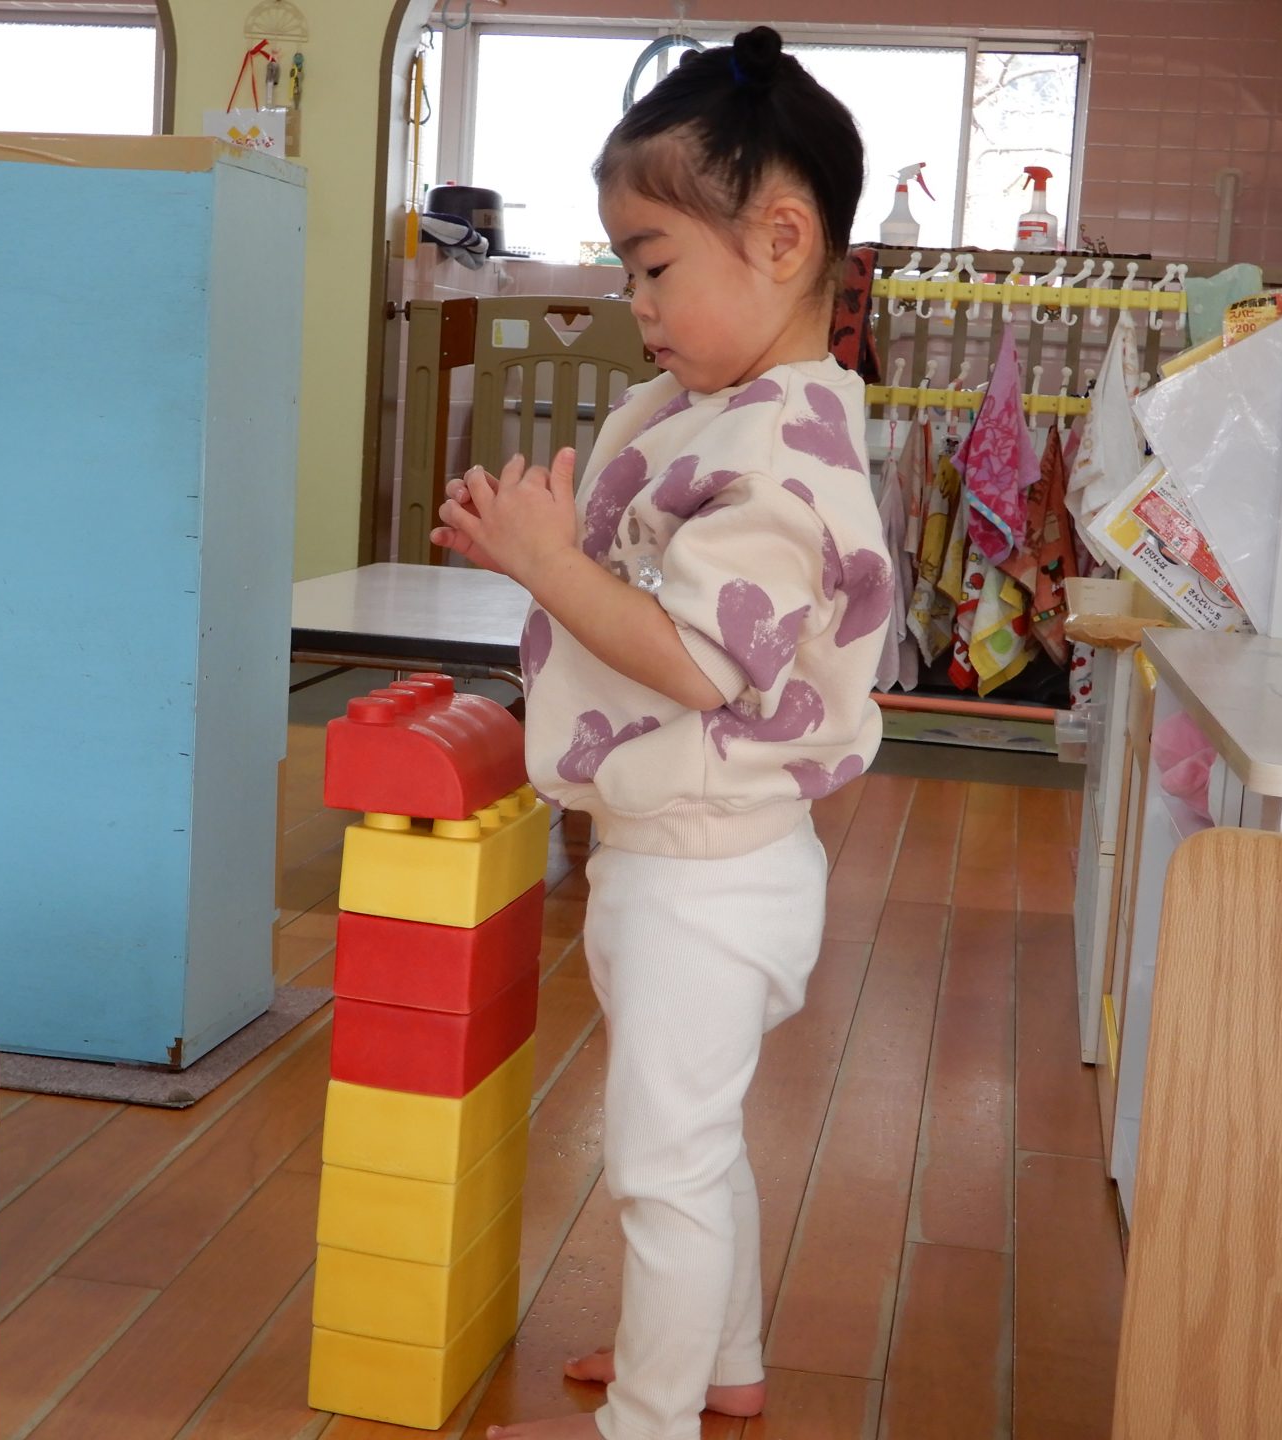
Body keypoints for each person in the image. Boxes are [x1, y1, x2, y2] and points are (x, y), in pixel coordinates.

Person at [432, 25, 886, 1440]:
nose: (637, 305)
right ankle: (719, 1359)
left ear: (782, 240)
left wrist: (546, 567)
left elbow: (698, 660)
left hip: (710, 873)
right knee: (693, 1137)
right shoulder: (720, 409)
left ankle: (652, 1416)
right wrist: (540, 545)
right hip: (678, 854)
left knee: (659, 1162)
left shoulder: (779, 451)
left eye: (653, 265)